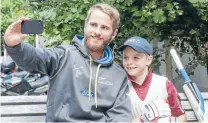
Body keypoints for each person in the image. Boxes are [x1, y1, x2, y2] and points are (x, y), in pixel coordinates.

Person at [4, 3, 132, 122]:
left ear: (114, 33)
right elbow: (33, 58)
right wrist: (13, 44)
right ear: (85, 25)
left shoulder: (118, 75)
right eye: (93, 25)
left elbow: (120, 116)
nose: (97, 31)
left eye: (104, 27)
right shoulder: (63, 56)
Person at [118, 36, 187, 122]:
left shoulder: (164, 84)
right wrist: (141, 120)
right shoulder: (119, 86)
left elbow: (181, 116)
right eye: (125, 58)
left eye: (136, 58)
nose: (129, 62)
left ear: (149, 60)